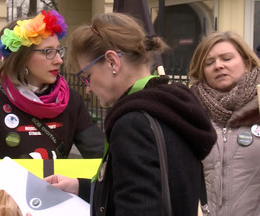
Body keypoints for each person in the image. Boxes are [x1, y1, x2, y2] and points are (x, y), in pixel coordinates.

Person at [0, 10, 105, 216]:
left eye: (59, 51)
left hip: (55, 205)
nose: (59, 60)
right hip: (5, 208)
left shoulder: (71, 100)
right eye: (48, 52)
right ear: (22, 59)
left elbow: (101, 155)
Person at [44, 12, 217, 216]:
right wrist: (80, 187)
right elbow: (154, 189)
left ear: (112, 62)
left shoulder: (133, 123)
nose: (88, 89)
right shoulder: (169, 107)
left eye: (87, 77)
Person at [188, 31, 260, 216]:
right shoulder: (190, 114)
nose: (218, 66)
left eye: (226, 58)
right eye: (209, 62)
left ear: (247, 63)